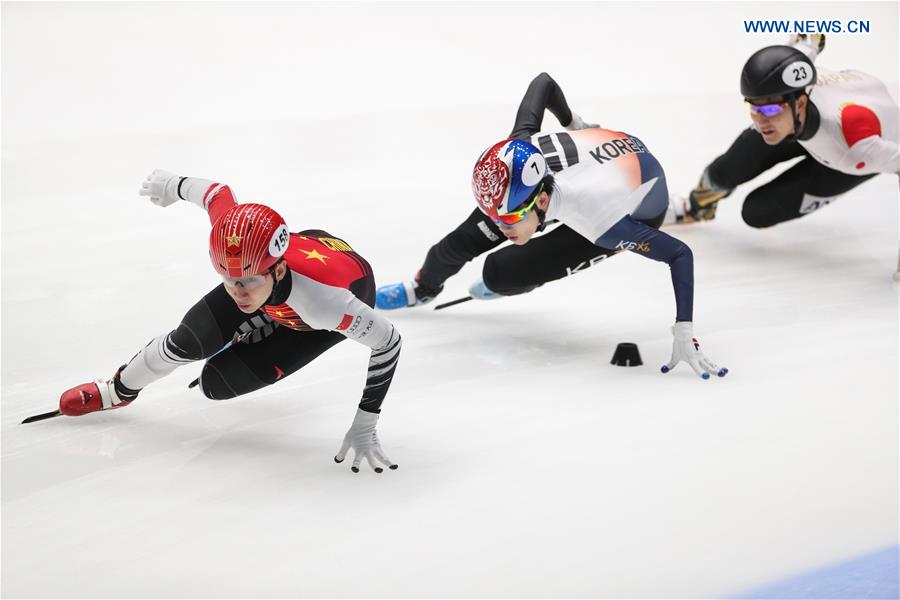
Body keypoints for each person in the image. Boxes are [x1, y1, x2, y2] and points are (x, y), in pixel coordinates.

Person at [376, 73, 726, 379]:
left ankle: (671, 211)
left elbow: (679, 254)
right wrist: (573, 121)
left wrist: (684, 331)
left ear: (540, 202)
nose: (499, 225)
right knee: (456, 244)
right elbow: (542, 82)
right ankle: (422, 290)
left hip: (635, 204)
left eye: (508, 219)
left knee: (503, 273)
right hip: (595, 161)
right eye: (494, 214)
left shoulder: (602, 222)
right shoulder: (519, 154)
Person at [56, 170, 402, 473]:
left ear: (277, 268)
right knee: (187, 342)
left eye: (247, 280)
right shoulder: (241, 253)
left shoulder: (325, 305)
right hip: (284, 271)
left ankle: (267, 325)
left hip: (325, 302)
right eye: (226, 278)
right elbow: (216, 194)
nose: (237, 291)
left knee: (215, 384)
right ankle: (118, 391)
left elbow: (388, 342)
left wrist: (366, 420)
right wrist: (174, 185)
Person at [668, 34, 899, 226]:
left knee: (757, 212)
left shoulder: (856, 150)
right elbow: (811, 36)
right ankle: (694, 208)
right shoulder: (792, 77)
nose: (760, 121)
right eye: (753, 107)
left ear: (799, 103)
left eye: (768, 110)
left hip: (849, 145)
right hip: (814, 116)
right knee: (726, 170)